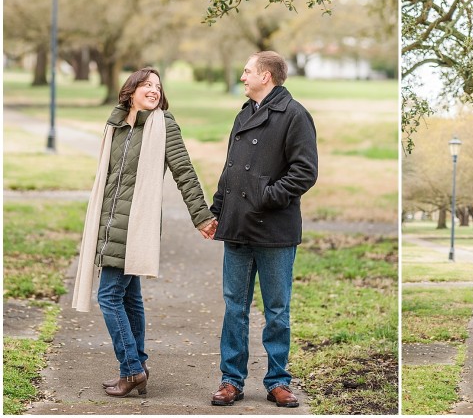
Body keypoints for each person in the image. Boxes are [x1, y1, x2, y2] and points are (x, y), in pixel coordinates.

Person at [72, 67, 217, 398]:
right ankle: (136, 366)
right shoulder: (116, 128)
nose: (153, 89)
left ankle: (132, 369)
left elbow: (184, 171)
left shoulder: (164, 126)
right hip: (110, 225)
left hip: (136, 227)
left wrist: (201, 216)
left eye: (158, 86)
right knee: (130, 298)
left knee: (109, 297)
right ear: (131, 91)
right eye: (147, 84)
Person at [209, 51, 318, 409]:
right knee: (234, 307)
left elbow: (305, 172)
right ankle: (230, 380)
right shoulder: (243, 115)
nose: (242, 77)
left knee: (276, 310)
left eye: (247, 71)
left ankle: (277, 381)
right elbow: (230, 171)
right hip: (238, 227)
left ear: (266, 76)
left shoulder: (295, 115)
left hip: (275, 230)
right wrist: (217, 211)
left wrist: (266, 196)